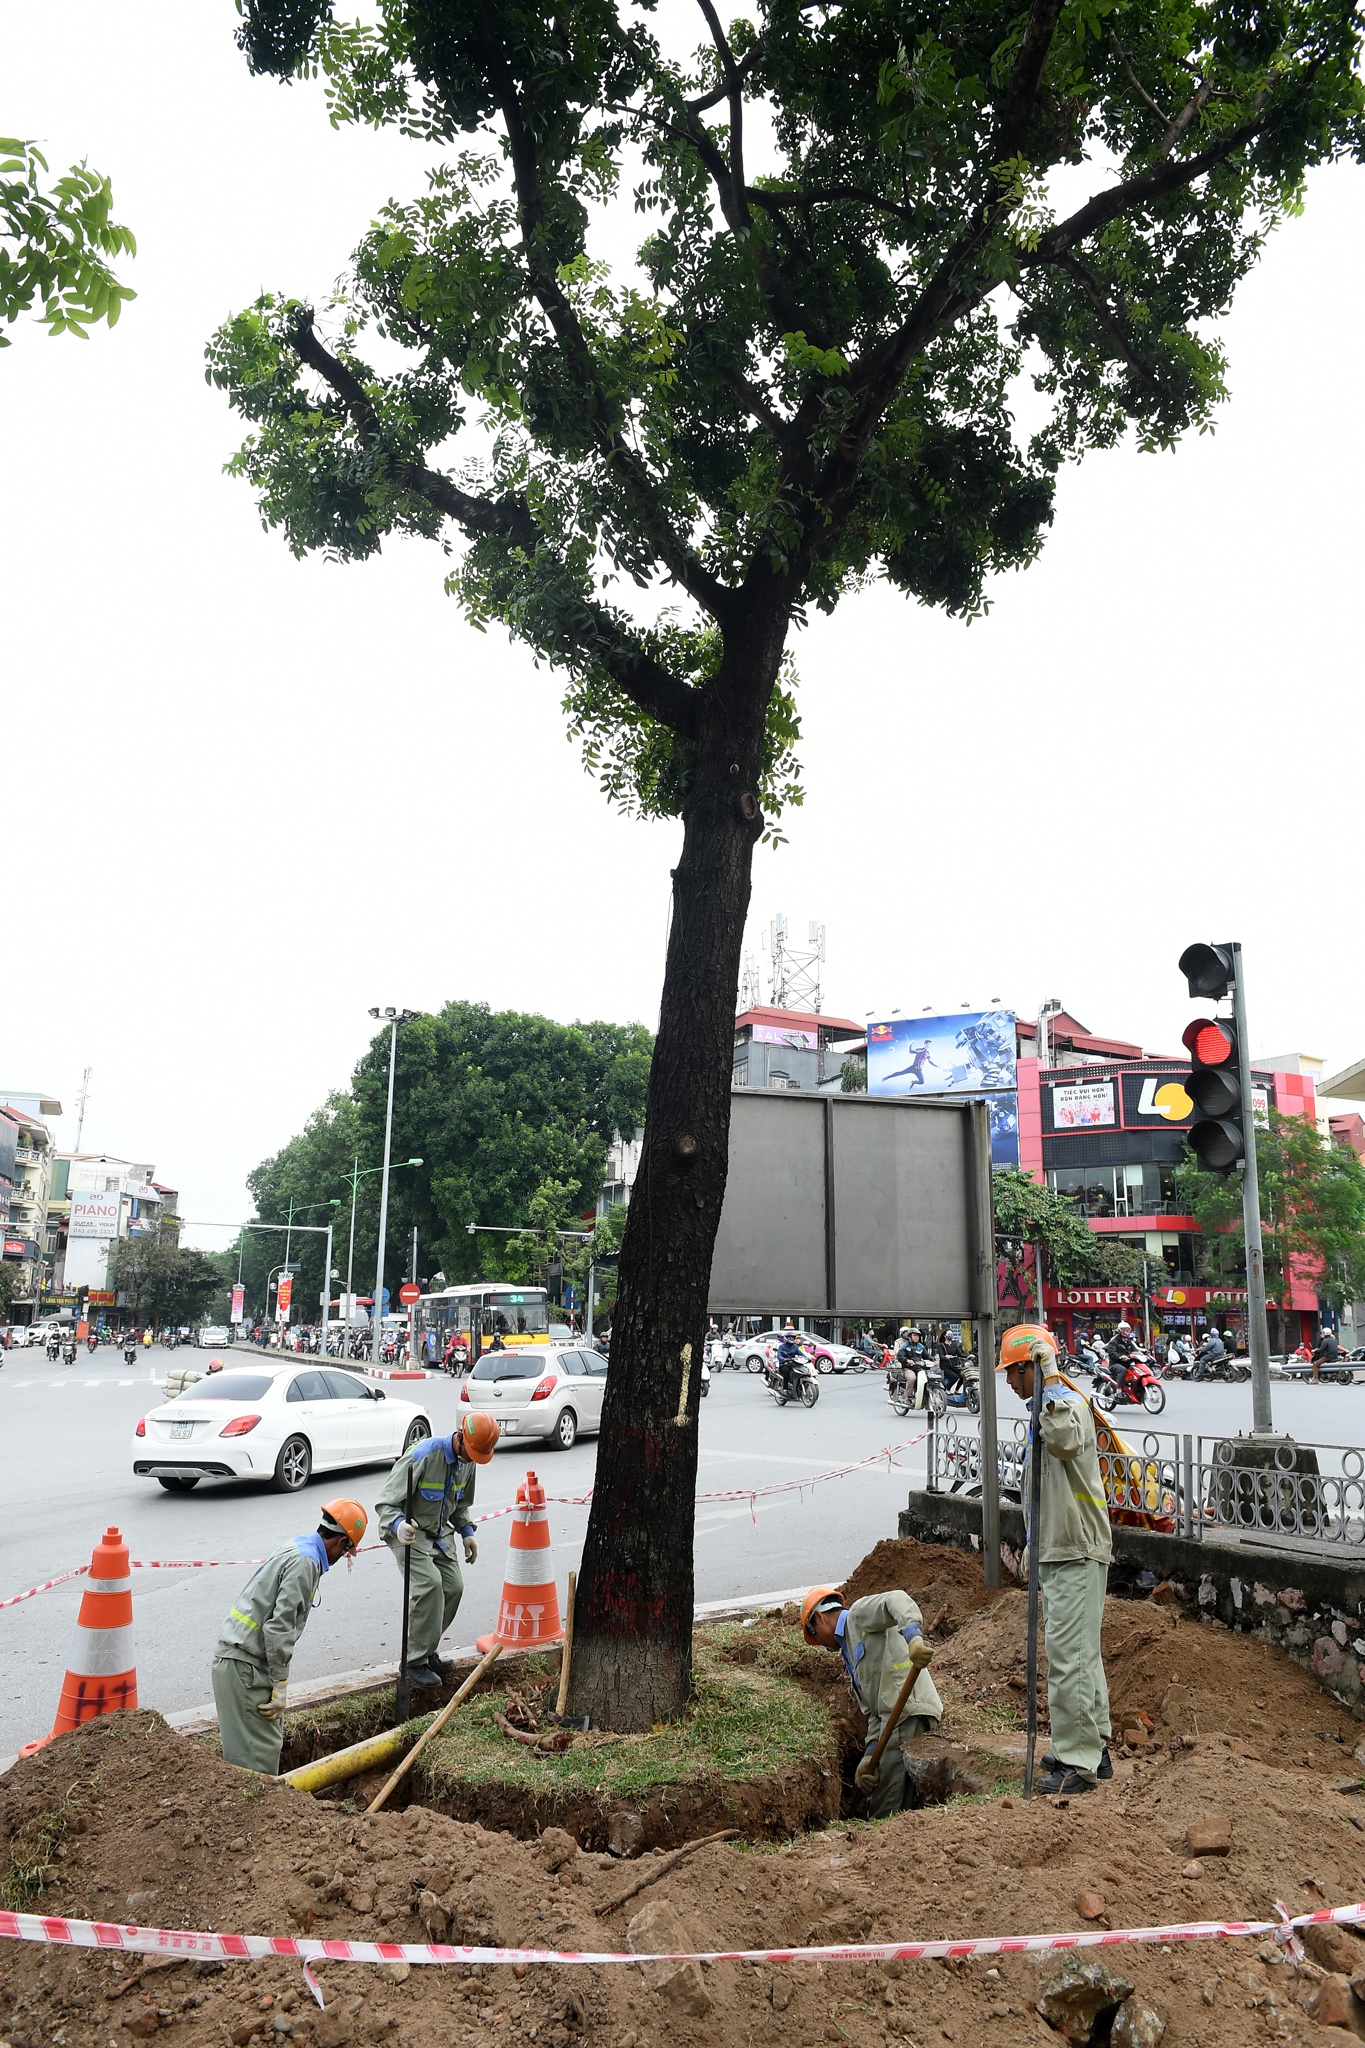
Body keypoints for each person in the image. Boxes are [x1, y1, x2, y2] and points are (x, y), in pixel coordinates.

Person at [1000, 1323, 1112, 1796]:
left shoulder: (1064, 1405)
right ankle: (1092, 1746)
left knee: (1070, 1660)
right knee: (1080, 1655)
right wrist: (1032, 1545)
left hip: (1076, 1548)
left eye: (1014, 1372)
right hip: (1058, 1547)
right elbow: (1038, 1493)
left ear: (1034, 1366)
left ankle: (1078, 1762)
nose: (1008, 1382)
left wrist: (1048, 1379)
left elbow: (1065, 1441)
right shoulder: (1043, 1410)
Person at [212, 1498, 368, 1774]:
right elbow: (279, 1626)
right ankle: (254, 1817)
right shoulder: (306, 1563)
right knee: (256, 1760)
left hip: (239, 1661)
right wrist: (280, 1682)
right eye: (346, 1550)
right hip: (246, 1667)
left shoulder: (299, 1546)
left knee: (255, 1750)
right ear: (340, 1542)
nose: (342, 1556)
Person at [374, 1412, 500, 1690]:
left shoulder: (470, 1461)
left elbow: (461, 1504)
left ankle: (427, 1649)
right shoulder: (422, 1456)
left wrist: (467, 1532)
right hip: (412, 1532)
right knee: (430, 1585)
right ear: (461, 1438)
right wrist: (398, 1525)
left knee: (453, 1587)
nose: (472, 1459)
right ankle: (413, 1662)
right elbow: (385, 1505)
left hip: (441, 1532)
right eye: (471, 1453)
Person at [801, 1584, 942, 1818]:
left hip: (906, 1713)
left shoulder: (857, 1616)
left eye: (816, 1637)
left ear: (819, 1617)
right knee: (897, 1805)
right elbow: (874, 1712)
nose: (825, 1646)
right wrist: (869, 1755)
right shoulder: (849, 1647)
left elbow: (896, 1599)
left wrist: (913, 1638)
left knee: (883, 1810)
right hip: (893, 1720)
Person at [775, 1324, 803, 1398]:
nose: (791, 1338)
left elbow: (801, 1353)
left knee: (801, 1370)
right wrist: (783, 1359)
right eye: (789, 1337)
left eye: (792, 1337)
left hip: (793, 1364)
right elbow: (779, 1355)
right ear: (786, 1338)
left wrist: (807, 1358)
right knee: (786, 1372)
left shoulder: (795, 1347)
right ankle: (785, 1388)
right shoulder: (782, 1346)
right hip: (784, 1364)